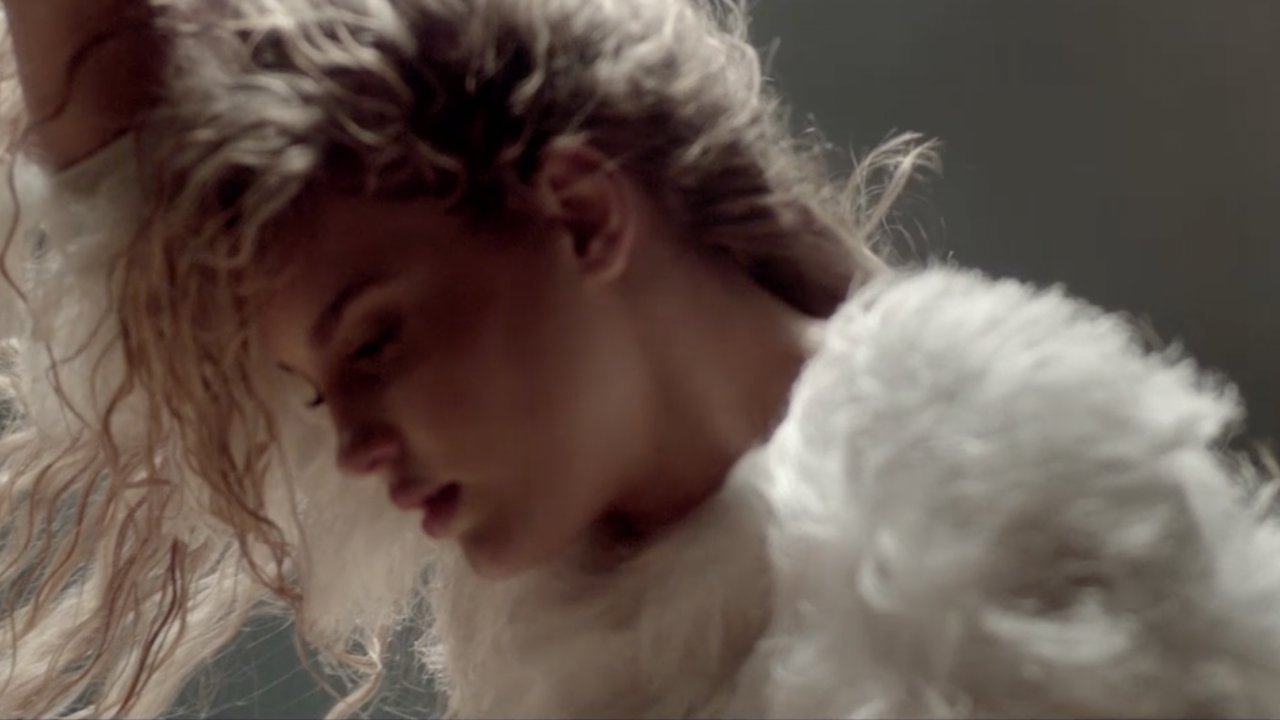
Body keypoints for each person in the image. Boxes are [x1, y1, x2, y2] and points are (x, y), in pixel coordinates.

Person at [2, 0, 1280, 717]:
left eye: (376, 343)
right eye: (314, 389)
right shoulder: (561, 577)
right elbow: (120, 151)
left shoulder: (992, 516)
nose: (349, 445)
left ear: (579, 214)